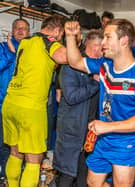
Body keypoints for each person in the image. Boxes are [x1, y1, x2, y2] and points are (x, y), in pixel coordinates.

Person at [64, 19, 135, 187]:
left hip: (125, 143)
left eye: (107, 37)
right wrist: (70, 37)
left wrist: (107, 127)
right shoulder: (105, 66)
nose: (102, 43)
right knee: (93, 183)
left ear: (123, 41)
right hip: (102, 139)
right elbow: (75, 62)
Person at [2, 16, 68, 187]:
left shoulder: (26, 42)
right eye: (62, 35)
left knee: (15, 153)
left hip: (10, 102)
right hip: (30, 107)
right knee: (34, 159)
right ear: (56, 31)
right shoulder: (49, 43)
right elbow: (65, 58)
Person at [53, 30, 101, 187]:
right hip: (72, 129)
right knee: (67, 174)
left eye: (102, 47)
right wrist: (95, 83)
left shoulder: (100, 67)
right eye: (95, 46)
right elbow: (72, 97)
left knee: (84, 174)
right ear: (86, 43)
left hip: (91, 129)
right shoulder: (71, 66)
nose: (98, 50)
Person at [0, 18, 30, 183]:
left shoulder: (31, 51)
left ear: (28, 33)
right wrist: (12, 54)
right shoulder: (3, 48)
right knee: (3, 144)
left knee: (18, 147)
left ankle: (10, 178)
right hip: (2, 105)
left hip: (22, 107)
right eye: (17, 28)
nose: (20, 30)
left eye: (24, 28)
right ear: (11, 31)